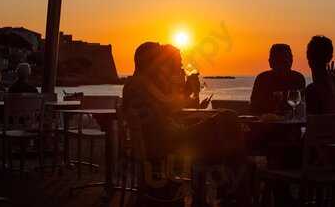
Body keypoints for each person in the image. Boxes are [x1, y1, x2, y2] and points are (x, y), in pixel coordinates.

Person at [123, 42, 252, 206]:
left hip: (169, 138)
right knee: (228, 119)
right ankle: (235, 195)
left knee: (228, 134)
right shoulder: (140, 84)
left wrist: (187, 92)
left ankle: (229, 192)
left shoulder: (140, 84)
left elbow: (171, 107)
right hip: (166, 142)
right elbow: (167, 108)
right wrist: (185, 91)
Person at [250, 44, 305, 115]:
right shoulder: (262, 79)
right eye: (278, 62)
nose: (281, 66)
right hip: (266, 123)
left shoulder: (298, 79)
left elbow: (300, 107)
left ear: (291, 61)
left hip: (291, 123)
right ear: (270, 63)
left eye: (284, 62)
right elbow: (254, 108)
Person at [306, 36, 335, 114]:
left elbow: (308, 120)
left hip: (321, 126)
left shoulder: (311, 90)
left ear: (308, 58)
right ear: (330, 58)